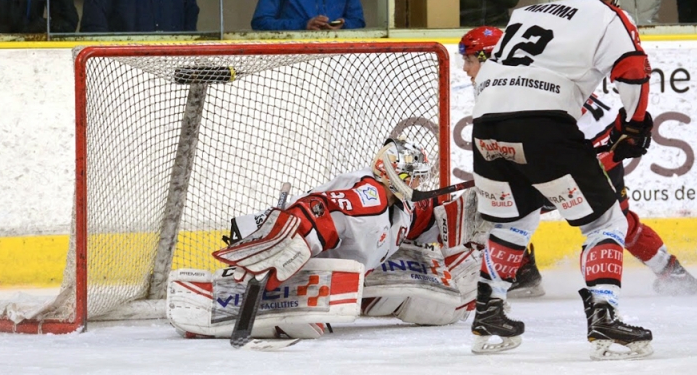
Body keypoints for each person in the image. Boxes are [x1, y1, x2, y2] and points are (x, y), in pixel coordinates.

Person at [467, 0, 654, 360]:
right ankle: (604, 318)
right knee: (607, 220)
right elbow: (633, 70)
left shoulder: (526, 10)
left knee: (516, 220)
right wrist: (636, 125)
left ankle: (488, 312)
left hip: (485, 124)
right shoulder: (611, 16)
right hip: (543, 123)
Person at [459, 26, 697, 298]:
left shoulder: (511, 86)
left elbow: (550, 136)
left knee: (615, 221)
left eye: (469, 59)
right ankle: (524, 274)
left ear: (489, 57)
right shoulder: (509, 79)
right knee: (501, 207)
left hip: (599, 153)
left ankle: (672, 272)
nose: (465, 68)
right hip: (577, 152)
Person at [175, 137, 482, 339]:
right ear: (388, 170)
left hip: (340, 272)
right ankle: (223, 302)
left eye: (418, 176)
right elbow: (317, 211)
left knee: (441, 304)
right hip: (282, 249)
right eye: (409, 175)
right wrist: (285, 244)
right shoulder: (368, 196)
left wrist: (481, 205)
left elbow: (429, 219)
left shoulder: (401, 205)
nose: (415, 182)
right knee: (307, 326)